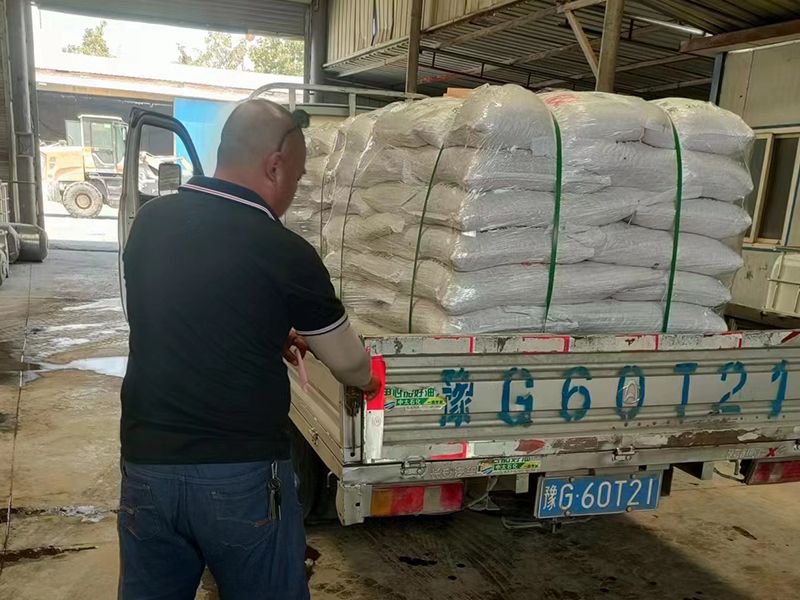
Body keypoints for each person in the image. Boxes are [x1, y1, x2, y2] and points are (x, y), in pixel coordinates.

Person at [118, 98, 380, 599]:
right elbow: (347, 361)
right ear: (274, 166)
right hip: (239, 478)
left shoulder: (150, 222)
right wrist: (367, 380)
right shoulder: (284, 251)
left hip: (147, 469)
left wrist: (263, 330)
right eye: (296, 179)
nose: (293, 192)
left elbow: (169, 315)